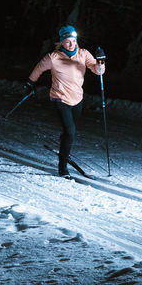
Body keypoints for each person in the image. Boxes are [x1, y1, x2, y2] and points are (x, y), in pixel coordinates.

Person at [26, 25, 105, 177]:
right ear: (61, 42)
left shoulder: (83, 54)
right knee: (70, 131)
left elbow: (98, 71)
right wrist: (30, 83)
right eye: (67, 41)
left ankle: (64, 148)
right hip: (59, 98)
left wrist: (100, 61)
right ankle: (63, 167)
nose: (71, 44)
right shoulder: (53, 57)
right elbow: (38, 69)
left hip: (77, 99)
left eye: (73, 40)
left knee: (69, 133)